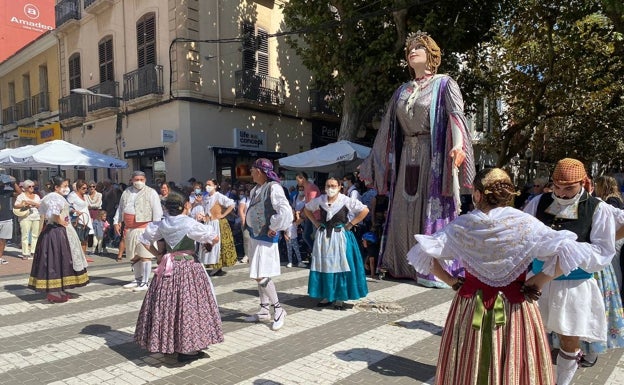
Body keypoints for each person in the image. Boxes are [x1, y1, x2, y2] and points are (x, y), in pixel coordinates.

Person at [406, 167, 602, 385]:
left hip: (471, 304)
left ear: (478, 194)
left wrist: (451, 281)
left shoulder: (464, 225)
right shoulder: (525, 223)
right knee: (516, 358)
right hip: (516, 306)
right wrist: (538, 281)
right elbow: (570, 250)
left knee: (470, 358)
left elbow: (423, 252)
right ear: (509, 194)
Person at [359, 31, 475, 286]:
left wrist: (458, 146)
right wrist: (374, 162)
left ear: (431, 55)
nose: (412, 51)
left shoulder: (445, 83)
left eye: (419, 47)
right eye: (410, 48)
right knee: (402, 208)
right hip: (407, 155)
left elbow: (456, 116)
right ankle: (401, 263)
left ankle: (435, 270)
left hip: (432, 154)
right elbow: (387, 127)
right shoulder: (402, 90)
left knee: (430, 206)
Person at [524, 158, 615, 385]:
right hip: (537, 282)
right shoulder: (538, 202)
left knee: (568, 339)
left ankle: (562, 382)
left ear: (584, 182)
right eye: (557, 187)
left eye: (569, 188)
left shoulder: (598, 208)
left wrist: (569, 252)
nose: (562, 194)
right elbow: (523, 236)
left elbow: (603, 251)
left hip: (575, 285)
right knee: (531, 335)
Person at [134, 190, 223, 363]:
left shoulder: (162, 224)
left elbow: (144, 239)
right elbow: (214, 237)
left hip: (168, 267)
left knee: (168, 305)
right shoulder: (189, 223)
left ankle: (169, 343)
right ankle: (187, 348)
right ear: (186, 206)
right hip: (188, 267)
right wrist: (206, 243)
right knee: (189, 304)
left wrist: (158, 255)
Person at [568, 174, 624, 367]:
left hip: (595, 267)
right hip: (574, 265)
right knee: (576, 309)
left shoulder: (599, 204)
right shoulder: (558, 204)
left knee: (593, 309)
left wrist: (608, 239)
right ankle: (573, 350)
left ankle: (591, 353)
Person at [303, 177, 369, 310]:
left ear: (340, 187)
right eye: (328, 186)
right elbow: (307, 209)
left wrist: (350, 224)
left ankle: (339, 297)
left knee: (340, 265)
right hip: (324, 238)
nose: (330, 188)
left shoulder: (345, 200)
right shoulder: (321, 200)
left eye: (333, 186)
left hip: (340, 237)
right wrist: (315, 223)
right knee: (325, 264)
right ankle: (327, 295)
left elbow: (365, 210)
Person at [242, 158, 293, 330]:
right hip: (256, 236)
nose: (250, 172)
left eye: (252, 170)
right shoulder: (256, 189)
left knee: (261, 274)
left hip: (265, 238)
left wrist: (274, 226)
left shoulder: (274, 187)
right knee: (258, 272)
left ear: (259, 171)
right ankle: (264, 310)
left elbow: (286, 211)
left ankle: (278, 309)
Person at [27, 176, 89, 303]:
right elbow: (53, 214)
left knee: (60, 260)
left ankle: (58, 289)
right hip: (56, 232)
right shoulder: (54, 197)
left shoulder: (53, 196)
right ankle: (54, 292)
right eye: (65, 186)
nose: (67, 188)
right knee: (55, 260)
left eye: (67, 185)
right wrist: (62, 222)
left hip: (55, 231)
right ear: (56, 187)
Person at [114, 171, 163, 292]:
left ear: (145, 179)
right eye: (136, 179)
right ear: (132, 180)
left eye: (141, 179)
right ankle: (137, 278)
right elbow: (121, 207)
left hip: (144, 227)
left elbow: (157, 211)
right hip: (130, 228)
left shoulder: (151, 192)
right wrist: (117, 221)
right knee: (134, 255)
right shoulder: (126, 192)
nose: (139, 181)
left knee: (145, 255)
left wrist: (155, 228)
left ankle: (145, 282)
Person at [196, 179, 237, 276]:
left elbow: (232, 204)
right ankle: (212, 265)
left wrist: (223, 214)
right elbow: (204, 208)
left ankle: (217, 266)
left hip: (217, 223)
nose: (207, 186)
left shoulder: (219, 196)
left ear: (215, 186)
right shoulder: (206, 197)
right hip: (208, 223)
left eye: (209, 184)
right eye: (206, 184)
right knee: (208, 243)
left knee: (217, 245)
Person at [67, 179, 95, 261]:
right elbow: (68, 207)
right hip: (76, 220)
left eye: (86, 188)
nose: (85, 190)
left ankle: (83, 256)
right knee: (77, 239)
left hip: (86, 219)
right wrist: (74, 211)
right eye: (83, 188)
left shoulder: (85, 196)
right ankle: (74, 257)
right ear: (78, 188)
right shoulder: (72, 195)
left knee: (84, 239)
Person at [13, 179, 41, 260]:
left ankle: (33, 251)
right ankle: (25, 253)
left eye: (33, 186)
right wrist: (24, 204)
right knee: (25, 235)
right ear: (25, 188)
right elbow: (16, 206)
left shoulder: (37, 196)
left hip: (36, 217)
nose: (32, 188)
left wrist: (33, 203)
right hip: (25, 217)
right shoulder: (21, 196)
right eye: (29, 186)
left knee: (35, 235)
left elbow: (40, 205)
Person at [295, 171, 320, 255]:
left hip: (316, 217)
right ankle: (315, 252)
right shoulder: (306, 188)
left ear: (303, 178)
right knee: (306, 236)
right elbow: (307, 204)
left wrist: (301, 218)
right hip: (310, 216)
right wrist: (301, 211)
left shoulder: (311, 188)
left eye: (298, 180)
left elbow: (312, 206)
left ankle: (317, 254)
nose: (297, 182)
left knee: (317, 238)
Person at [0, 180, 17, 265]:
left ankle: (0, 257)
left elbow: (19, 193)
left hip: (6, 218)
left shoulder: (7, 191)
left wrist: (14, 182)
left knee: (3, 239)